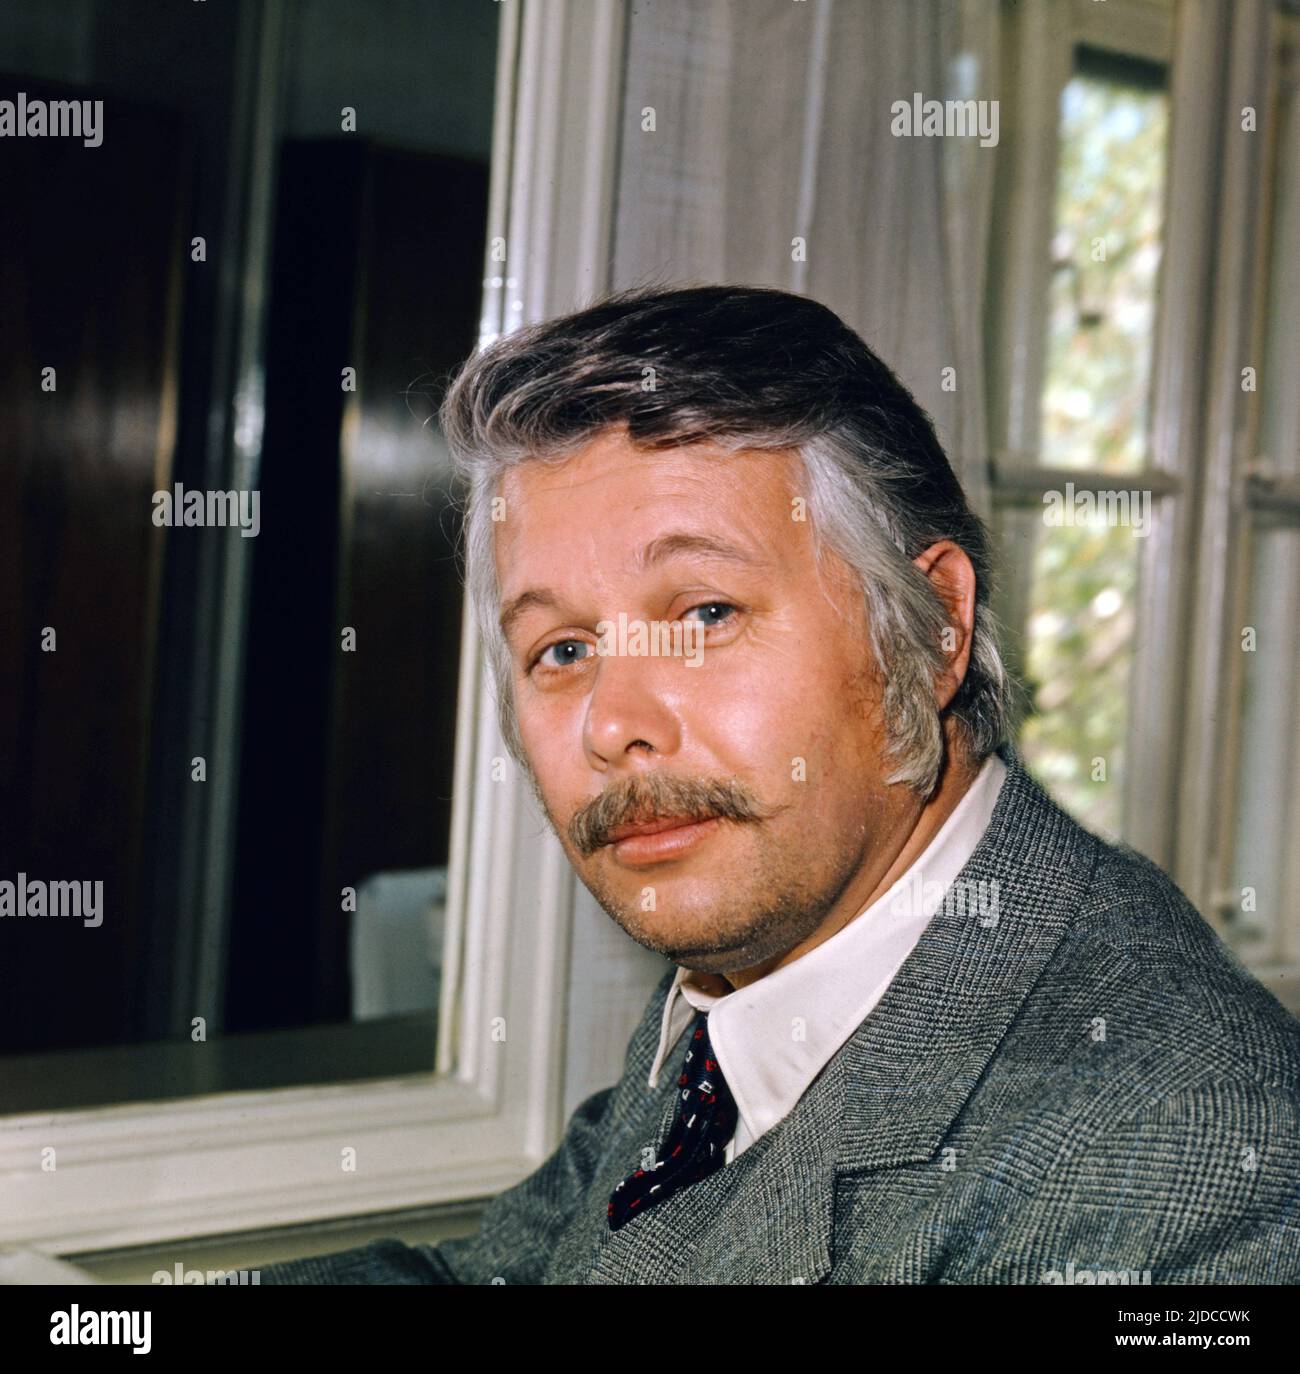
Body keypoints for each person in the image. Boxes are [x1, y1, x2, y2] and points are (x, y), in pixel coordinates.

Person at [260, 285, 1300, 1284]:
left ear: (931, 626)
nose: (616, 725)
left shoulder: (1188, 1162)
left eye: (705, 615)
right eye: (564, 649)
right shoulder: (776, 948)